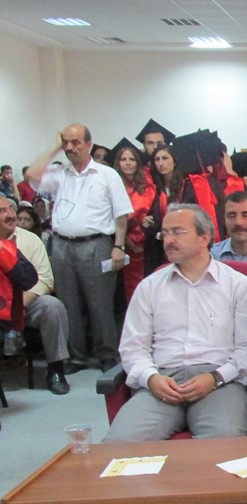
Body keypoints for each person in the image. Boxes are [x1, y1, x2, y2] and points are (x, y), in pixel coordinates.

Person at [105, 204, 247, 504]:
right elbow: (132, 349)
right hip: (162, 380)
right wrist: (150, 378)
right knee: (121, 444)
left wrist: (216, 377)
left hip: (218, 381)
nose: (168, 239)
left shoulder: (238, 285)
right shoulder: (150, 287)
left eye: (178, 232)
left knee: (225, 440)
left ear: (205, 237)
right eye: (165, 232)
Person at [25, 123, 132, 372]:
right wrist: (55, 146)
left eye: (76, 142)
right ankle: (77, 356)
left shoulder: (106, 174)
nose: (70, 147)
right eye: (66, 143)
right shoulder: (59, 174)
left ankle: (107, 354)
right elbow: (31, 174)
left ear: (89, 144)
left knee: (100, 303)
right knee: (68, 303)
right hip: (62, 245)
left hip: (97, 244)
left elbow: (122, 215)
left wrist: (119, 246)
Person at [0, 198, 69, 394]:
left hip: (26, 301)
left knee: (52, 306)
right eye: (3, 211)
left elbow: (44, 279)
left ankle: (56, 369)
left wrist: (19, 305)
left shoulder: (30, 240)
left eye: (11, 209)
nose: (10, 215)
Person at [112, 143, 158, 301]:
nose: (127, 163)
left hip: (147, 242)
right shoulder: (113, 186)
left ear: (138, 163)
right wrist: (128, 241)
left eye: (131, 159)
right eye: (123, 159)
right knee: (126, 287)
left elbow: (153, 212)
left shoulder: (148, 186)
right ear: (118, 163)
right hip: (121, 244)